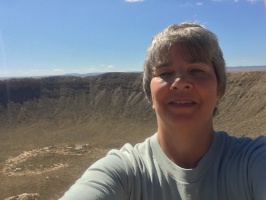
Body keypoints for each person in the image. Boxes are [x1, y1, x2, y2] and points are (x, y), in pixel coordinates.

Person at [60, 22, 266, 200]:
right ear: (149, 94)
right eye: (165, 72)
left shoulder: (253, 161)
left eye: (197, 70)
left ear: (219, 91)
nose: (180, 83)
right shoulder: (125, 170)